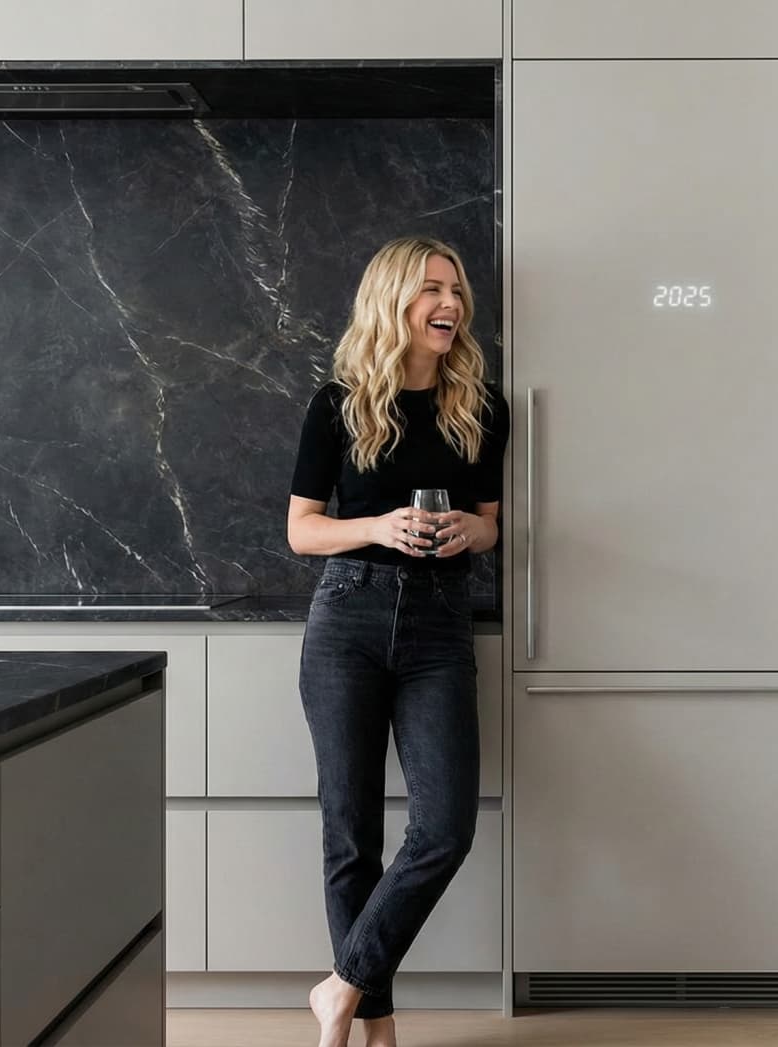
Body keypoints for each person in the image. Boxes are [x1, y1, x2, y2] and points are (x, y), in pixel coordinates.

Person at [286, 236, 509, 1047]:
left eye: (456, 290)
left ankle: (341, 984)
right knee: (351, 835)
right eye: (431, 289)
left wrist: (466, 534)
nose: (450, 304)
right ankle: (373, 1028)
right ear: (393, 301)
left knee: (445, 828)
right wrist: (378, 525)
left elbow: (489, 525)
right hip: (347, 616)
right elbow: (302, 531)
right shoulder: (338, 404)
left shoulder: (481, 407)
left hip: (439, 624)